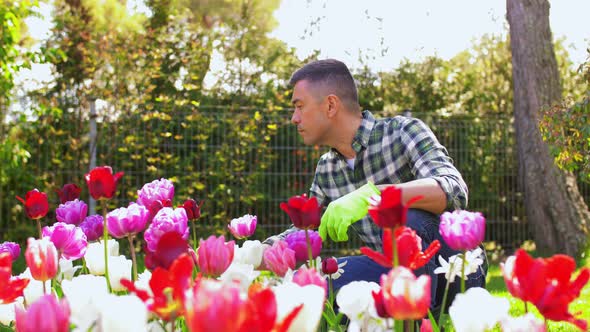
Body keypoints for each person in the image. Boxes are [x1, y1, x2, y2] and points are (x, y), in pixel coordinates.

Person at [262, 58, 486, 315]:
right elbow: (305, 233)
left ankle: (416, 324)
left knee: (405, 217)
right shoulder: (327, 169)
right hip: (389, 272)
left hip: (453, 270)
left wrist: (378, 195)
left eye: (299, 106)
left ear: (331, 105)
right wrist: (252, 253)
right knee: (316, 284)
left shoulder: (403, 132)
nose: (294, 118)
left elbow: (454, 190)